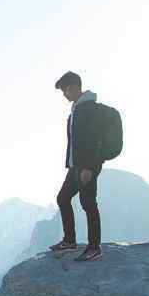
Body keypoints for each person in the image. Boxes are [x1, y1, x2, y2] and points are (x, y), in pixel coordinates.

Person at [50, 70, 103, 262]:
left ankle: (94, 247)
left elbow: (94, 140)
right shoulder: (76, 109)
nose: (64, 94)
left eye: (65, 90)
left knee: (88, 204)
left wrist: (89, 167)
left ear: (74, 87)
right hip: (75, 167)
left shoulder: (88, 109)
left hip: (86, 167)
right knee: (63, 198)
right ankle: (69, 240)